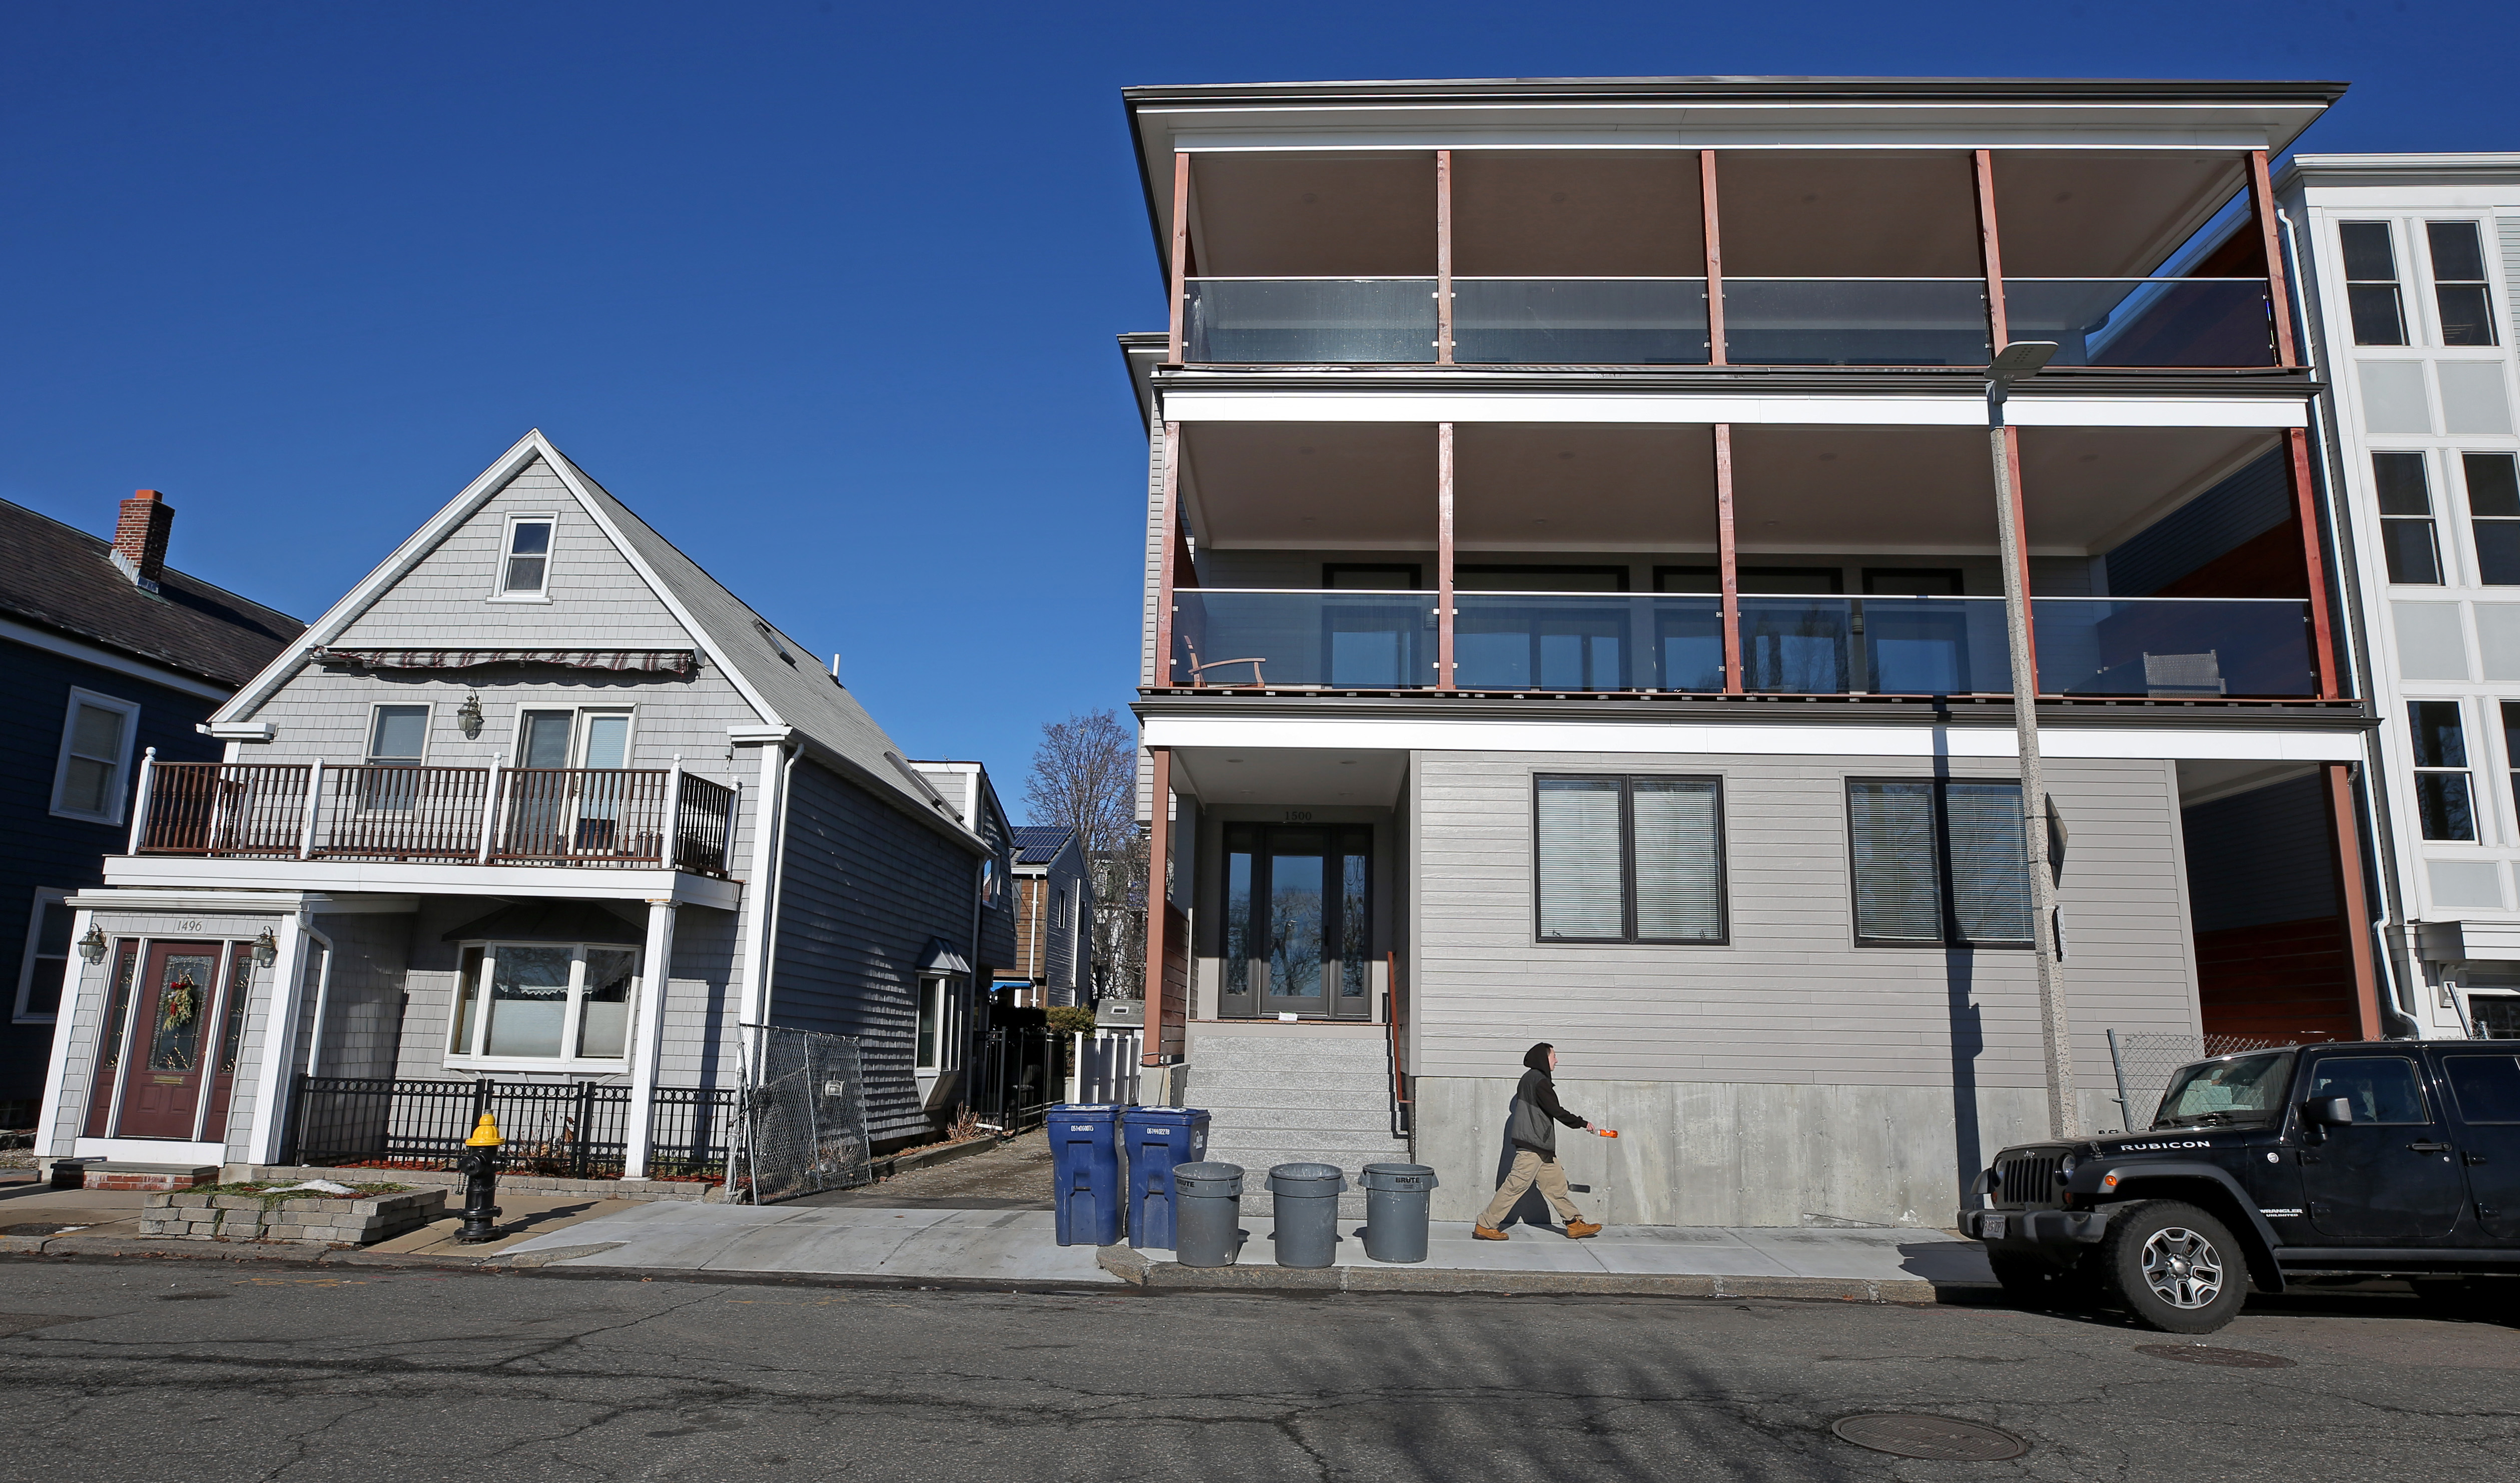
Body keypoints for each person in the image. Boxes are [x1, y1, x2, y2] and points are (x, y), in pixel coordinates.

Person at [1473, 1042, 1602, 1240]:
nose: (1557, 1060)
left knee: (1557, 1187)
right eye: (1554, 1056)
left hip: (1542, 1148)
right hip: (1533, 1147)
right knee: (1515, 1186)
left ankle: (1574, 1223)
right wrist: (1582, 1123)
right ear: (1544, 1058)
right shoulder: (1539, 1081)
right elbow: (1556, 1110)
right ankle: (1485, 1225)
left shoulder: (1530, 1079)